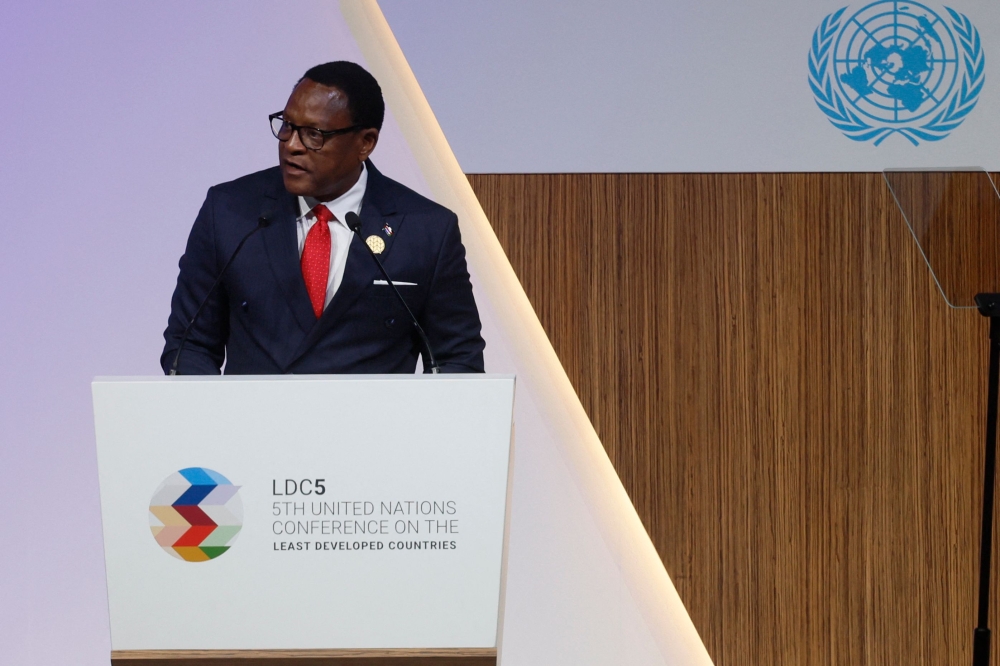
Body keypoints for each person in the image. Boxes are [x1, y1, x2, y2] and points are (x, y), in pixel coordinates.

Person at [161, 61, 485, 374]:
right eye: (287, 125)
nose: (291, 145)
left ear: (365, 143)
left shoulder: (425, 230)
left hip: (371, 428)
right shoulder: (230, 212)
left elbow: (456, 358)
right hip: (250, 425)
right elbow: (189, 345)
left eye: (314, 134)